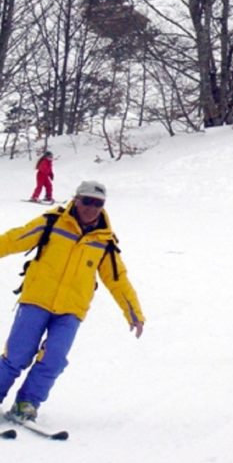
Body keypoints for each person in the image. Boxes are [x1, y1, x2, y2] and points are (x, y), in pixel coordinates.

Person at [0, 180, 144, 422]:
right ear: (76, 200)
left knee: (54, 359)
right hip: (36, 300)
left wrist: (133, 313)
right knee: (17, 354)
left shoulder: (105, 241)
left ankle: (27, 403)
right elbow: (16, 239)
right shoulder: (53, 222)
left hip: (71, 311)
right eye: (87, 201)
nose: (91, 208)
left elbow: (117, 280)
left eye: (98, 203)